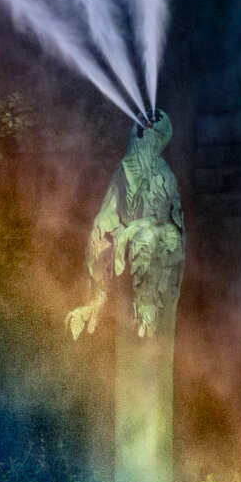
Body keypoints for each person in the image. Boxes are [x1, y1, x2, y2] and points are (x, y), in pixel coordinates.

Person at [65, 109, 185, 341]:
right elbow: (108, 211)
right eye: (137, 130)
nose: (137, 136)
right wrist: (102, 233)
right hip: (130, 230)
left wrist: (129, 232)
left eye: (144, 133)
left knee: (143, 240)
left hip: (162, 233)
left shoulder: (163, 174)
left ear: (156, 140)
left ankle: (147, 307)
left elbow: (157, 218)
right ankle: (97, 300)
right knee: (98, 232)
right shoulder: (123, 171)